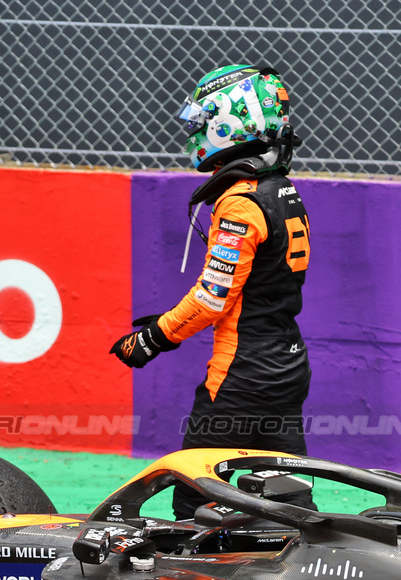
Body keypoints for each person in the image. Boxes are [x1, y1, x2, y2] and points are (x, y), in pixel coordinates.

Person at [109, 65, 312, 520]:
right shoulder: (282, 189)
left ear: (229, 122)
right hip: (287, 367)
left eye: (203, 120)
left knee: (195, 497)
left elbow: (212, 297)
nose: (196, 130)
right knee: (291, 496)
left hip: (242, 376)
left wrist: (152, 338)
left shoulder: (241, 201)